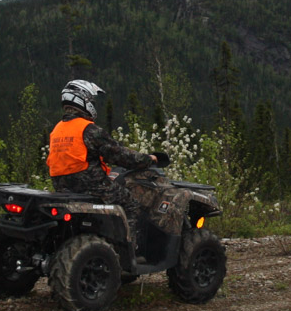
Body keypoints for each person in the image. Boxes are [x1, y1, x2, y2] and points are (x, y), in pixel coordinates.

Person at [46, 79, 188, 259]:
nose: (93, 104)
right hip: (91, 186)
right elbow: (121, 155)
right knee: (130, 204)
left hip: (63, 187)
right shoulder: (88, 129)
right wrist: (149, 159)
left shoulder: (57, 129)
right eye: (92, 100)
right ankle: (130, 252)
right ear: (83, 100)